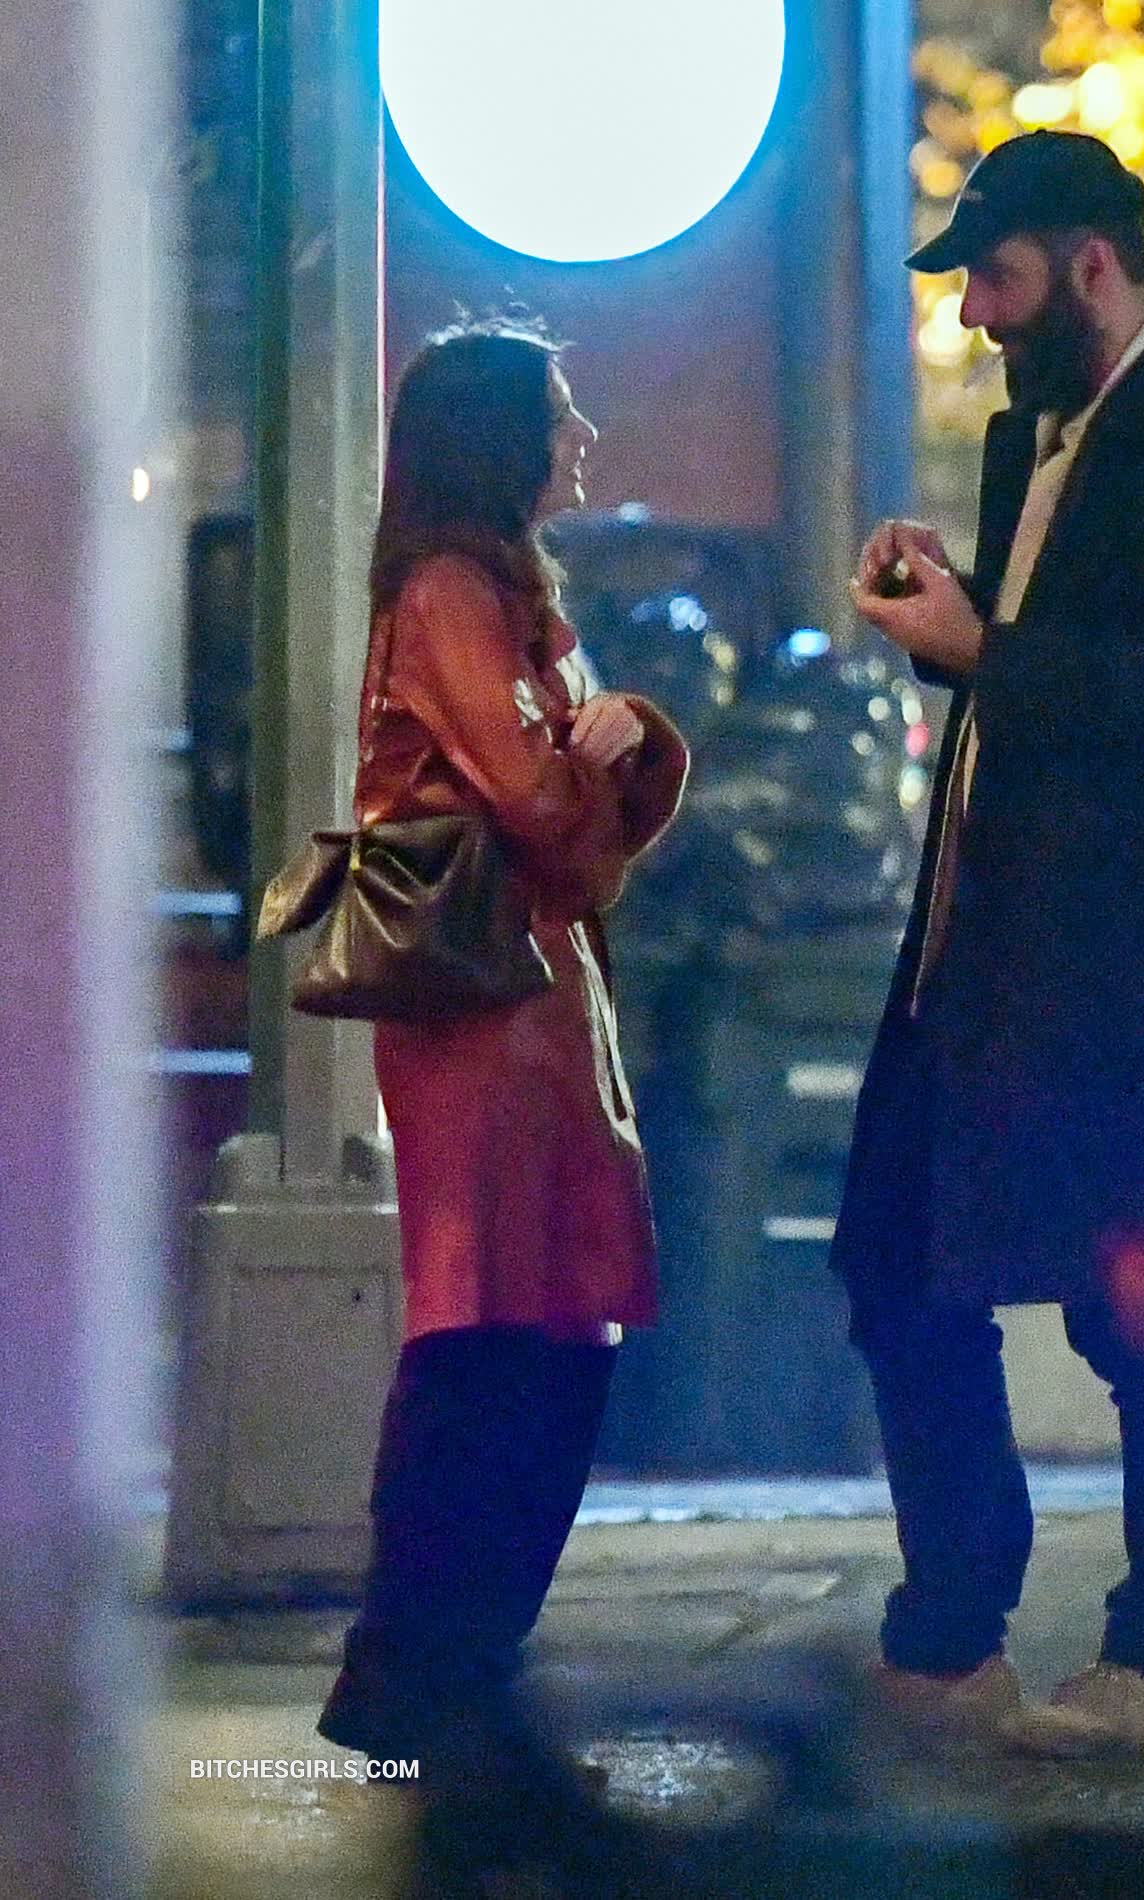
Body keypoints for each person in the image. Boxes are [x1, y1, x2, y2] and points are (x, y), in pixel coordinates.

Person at [833, 130, 1144, 1757]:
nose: (974, 312)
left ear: (1092, 264)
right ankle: (950, 1638)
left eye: (998, 276)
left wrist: (982, 642)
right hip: (989, 953)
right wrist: (956, 618)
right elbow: (1057, 661)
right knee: (895, 1266)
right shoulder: (1041, 433)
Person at [317, 321, 688, 1774]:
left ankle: (465, 1662)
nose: (581, 436)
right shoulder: (451, 594)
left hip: (537, 1003)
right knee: (486, 1322)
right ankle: (419, 1667)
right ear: (499, 438)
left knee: (556, 1323)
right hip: (482, 1012)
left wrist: (621, 747)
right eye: (559, 412)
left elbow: (567, 812)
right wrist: (609, 758)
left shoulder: (511, 596)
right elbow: (537, 802)